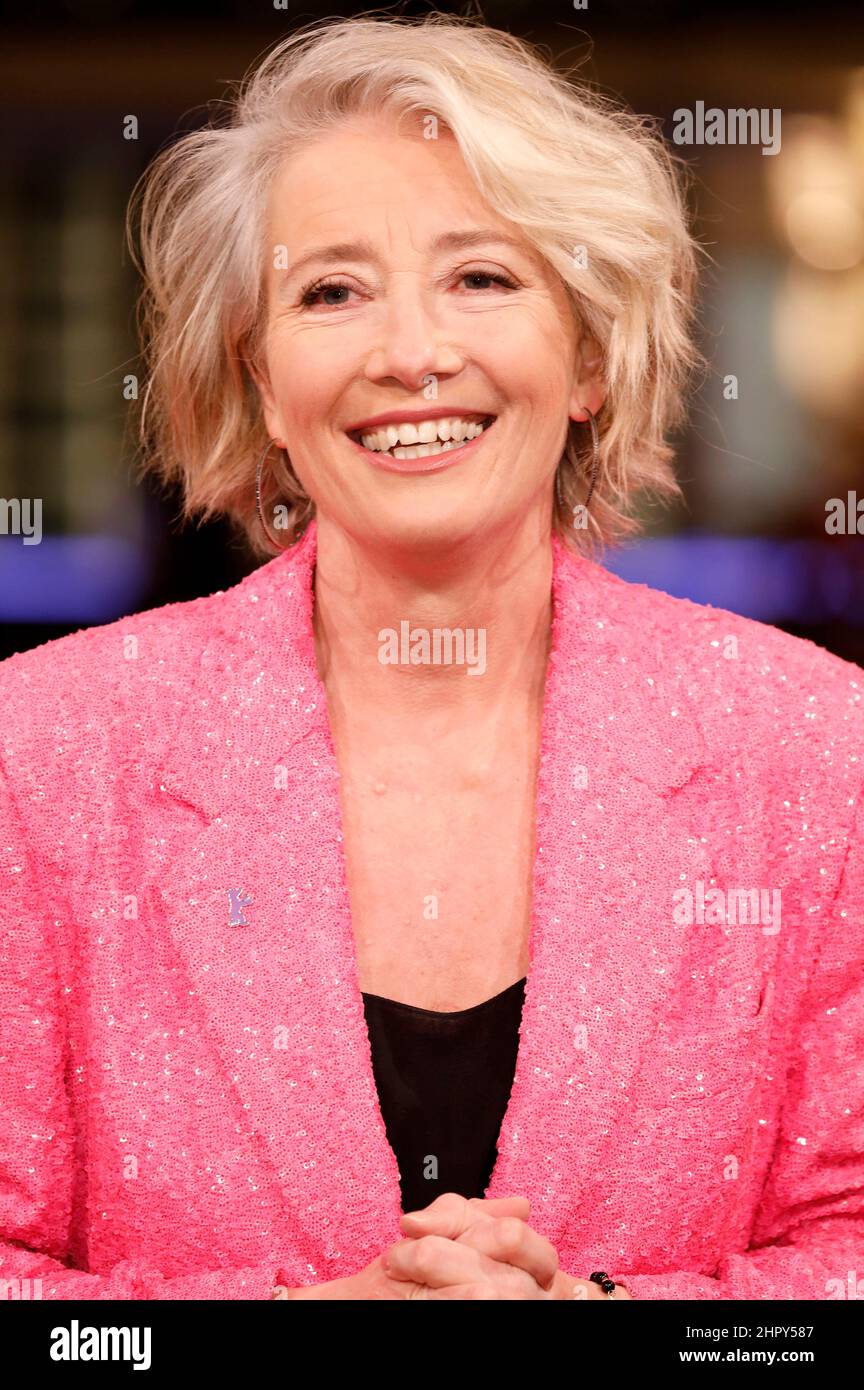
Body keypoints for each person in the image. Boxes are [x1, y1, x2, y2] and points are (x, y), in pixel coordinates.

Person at [1, 14, 861, 1302]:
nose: (411, 354)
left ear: (587, 353)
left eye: (483, 277)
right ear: (262, 378)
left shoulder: (814, 746)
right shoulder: (42, 749)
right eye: (331, 291)